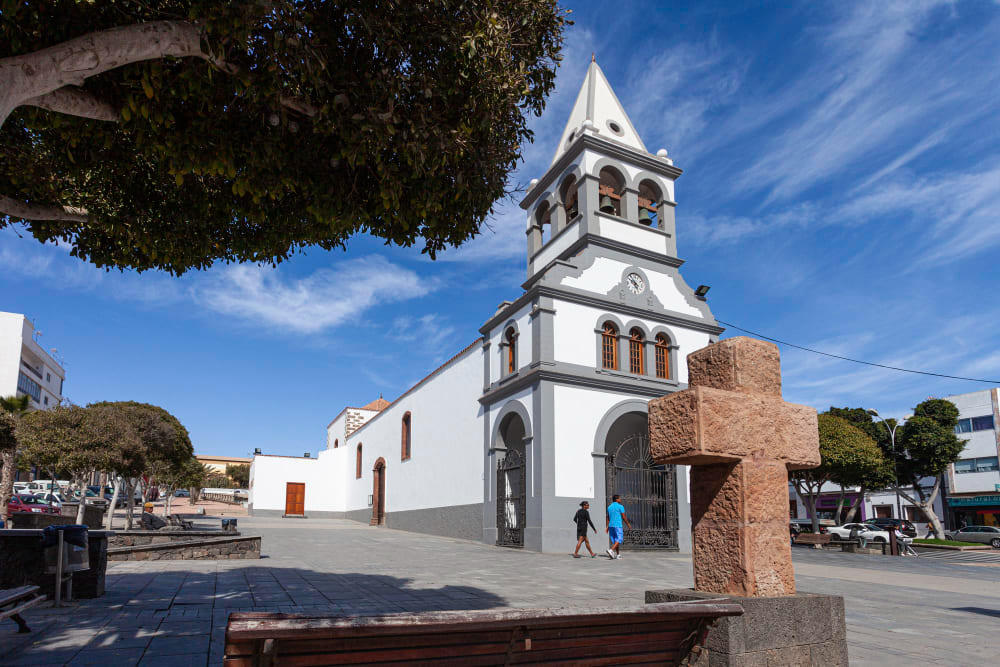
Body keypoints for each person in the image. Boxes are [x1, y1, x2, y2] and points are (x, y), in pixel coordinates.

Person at [606, 494, 631, 560]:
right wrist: (628, 524)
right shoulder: (620, 506)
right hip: (617, 525)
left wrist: (607, 526)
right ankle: (611, 550)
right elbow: (623, 516)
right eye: (620, 498)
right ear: (617, 499)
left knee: (615, 541)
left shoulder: (609, 507)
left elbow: (607, 518)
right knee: (619, 539)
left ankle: (618, 555)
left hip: (611, 526)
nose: (620, 499)